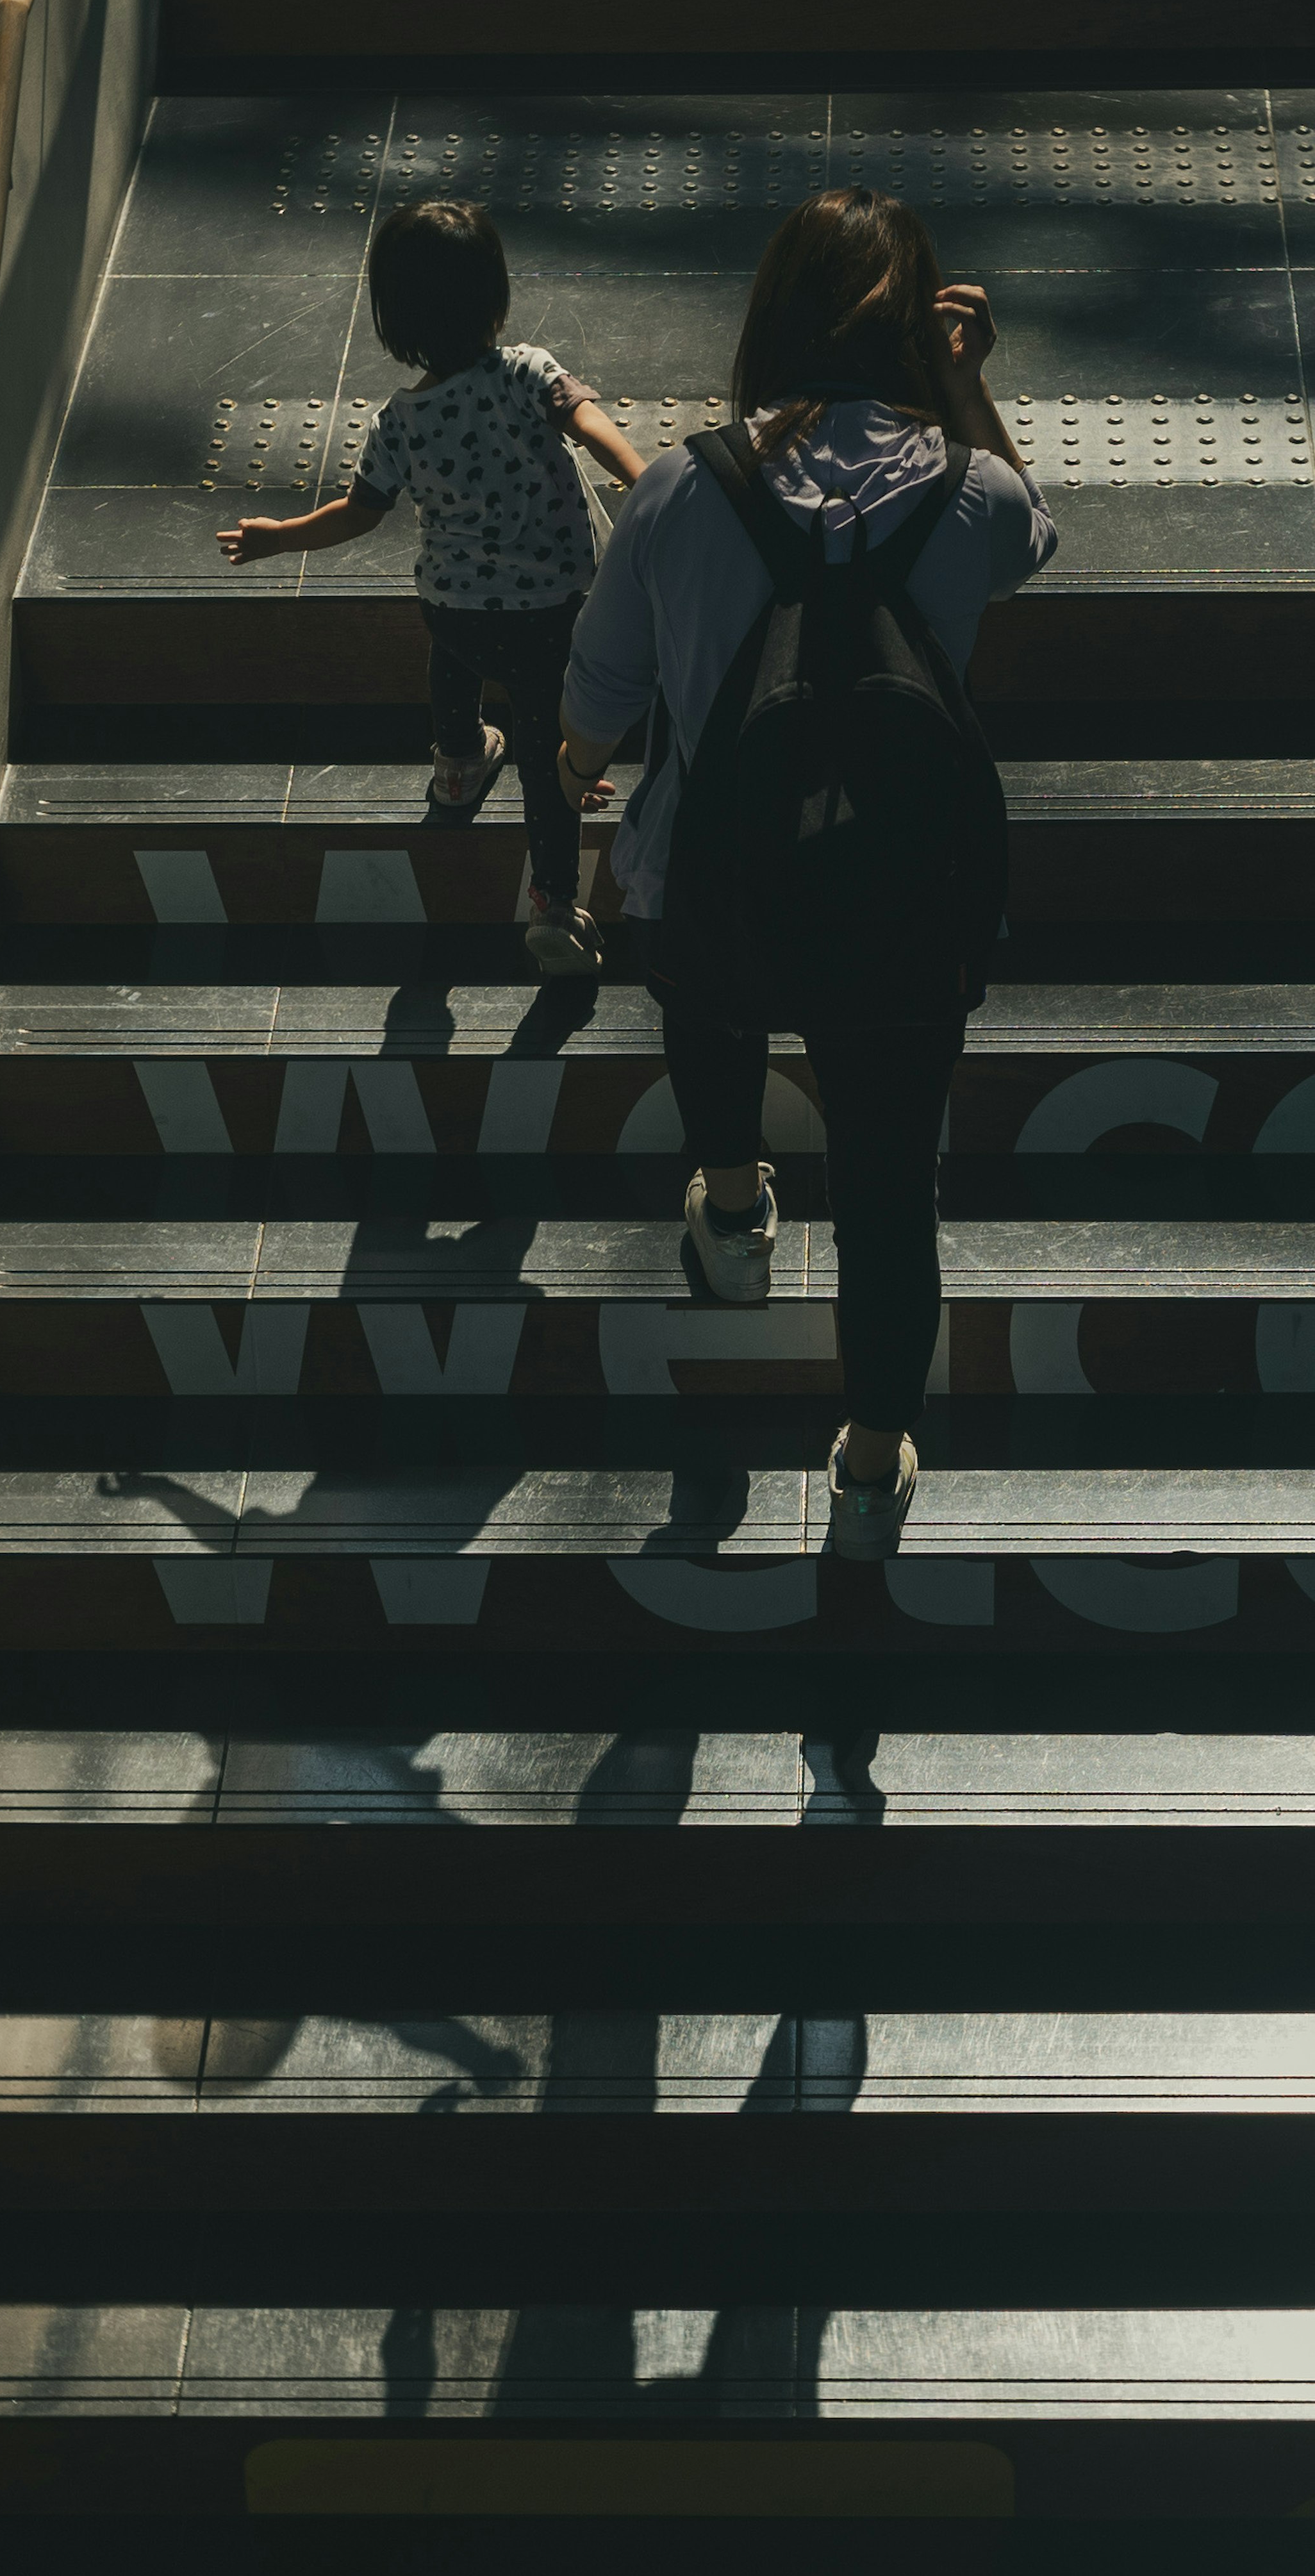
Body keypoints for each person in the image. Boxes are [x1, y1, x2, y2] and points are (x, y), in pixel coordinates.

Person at [555, 187, 1057, 1558]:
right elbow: (1034, 539)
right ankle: (875, 1451)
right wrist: (966, 398)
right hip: (906, 891)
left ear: (769, 315)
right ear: (923, 335)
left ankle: (730, 1200)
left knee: (712, 1020)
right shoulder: (970, 491)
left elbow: (596, 694)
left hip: (709, 878)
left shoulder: (681, 485)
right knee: (893, 1180)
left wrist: (573, 776)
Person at [218, 197, 643, 976]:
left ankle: (456, 761)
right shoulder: (528, 372)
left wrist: (279, 538)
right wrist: (647, 485)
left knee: (452, 666)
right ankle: (552, 903)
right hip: (550, 610)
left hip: (453, 607)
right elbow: (589, 426)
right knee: (548, 759)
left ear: (395, 319)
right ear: (496, 297)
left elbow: (358, 514)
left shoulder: (401, 422)